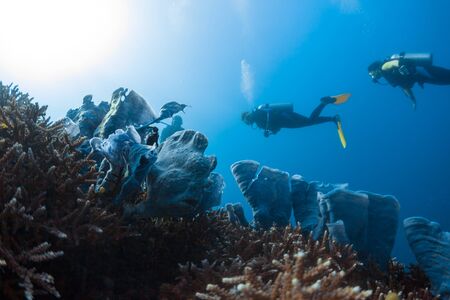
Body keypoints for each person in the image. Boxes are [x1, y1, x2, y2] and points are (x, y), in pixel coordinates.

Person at [241, 94, 350, 148]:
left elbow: (269, 112)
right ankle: (332, 117)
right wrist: (270, 132)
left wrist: (268, 127)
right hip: (286, 123)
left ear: (247, 115)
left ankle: (325, 106)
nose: (247, 121)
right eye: (246, 121)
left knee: (309, 121)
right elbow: (276, 128)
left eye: (246, 119)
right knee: (309, 121)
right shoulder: (259, 124)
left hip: (285, 116)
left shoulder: (256, 112)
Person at [368, 53, 450, 109]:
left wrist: (401, 66)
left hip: (421, 70)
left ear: (374, 69)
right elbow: (404, 86)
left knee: (446, 76)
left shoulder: (383, 67)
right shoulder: (387, 75)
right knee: (446, 80)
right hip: (421, 77)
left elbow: (394, 63)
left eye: (371, 74)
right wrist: (413, 100)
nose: (372, 77)